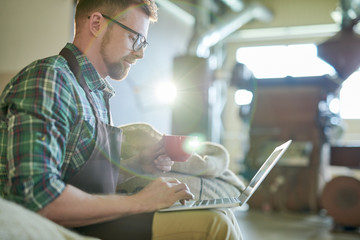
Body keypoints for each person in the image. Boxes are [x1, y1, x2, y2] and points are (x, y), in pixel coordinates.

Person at [0, 0, 242, 239]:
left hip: (93, 219)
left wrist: (136, 166)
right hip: (61, 226)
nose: (141, 53)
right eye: (134, 38)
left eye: (143, 42)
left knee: (222, 212)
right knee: (214, 223)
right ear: (97, 23)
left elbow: (77, 175)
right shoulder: (50, 79)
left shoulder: (95, 93)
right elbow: (36, 197)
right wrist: (140, 202)